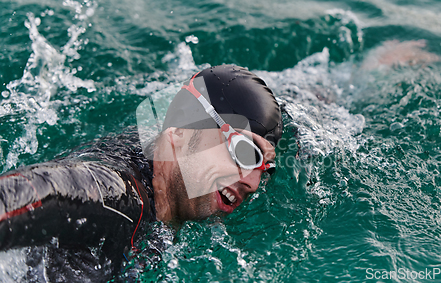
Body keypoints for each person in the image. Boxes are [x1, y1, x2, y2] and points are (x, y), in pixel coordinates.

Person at [0, 64, 283, 282]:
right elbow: (38, 194)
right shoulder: (116, 196)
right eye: (245, 153)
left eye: (264, 168)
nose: (253, 182)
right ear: (182, 134)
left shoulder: (166, 162)